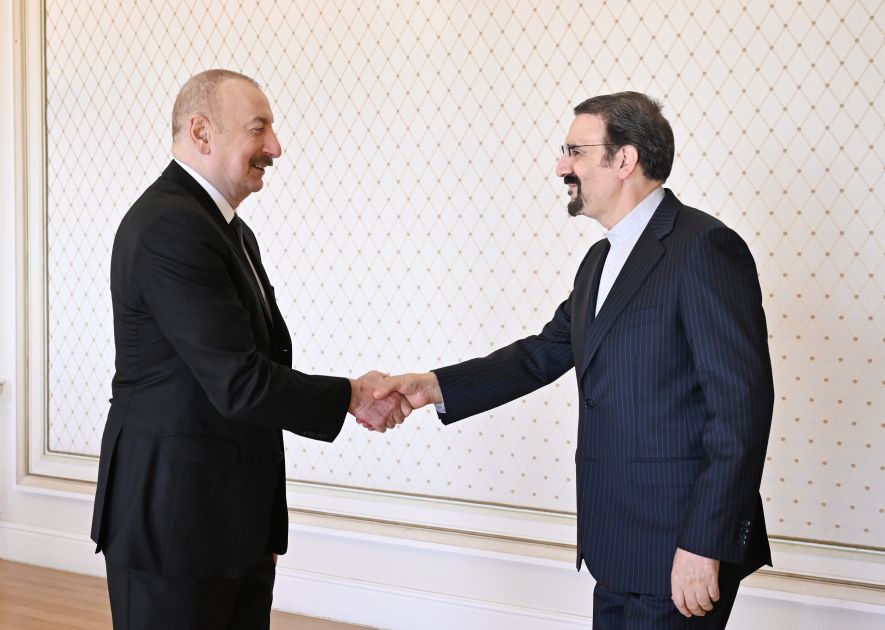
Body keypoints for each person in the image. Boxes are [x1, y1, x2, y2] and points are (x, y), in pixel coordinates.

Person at [371, 92, 774, 629]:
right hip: (614, 544)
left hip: (682, 545)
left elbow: (742, 409)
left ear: (624, 159)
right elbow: (542, 353)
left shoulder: (705, 247)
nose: (562, 167)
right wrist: (433, 386)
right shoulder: (598, 260)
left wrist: (705, 543)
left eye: (575, 151)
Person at [90, 69, 407, 629]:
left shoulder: (230, 230)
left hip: (231, 524)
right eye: (258, 129)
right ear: (201, 132)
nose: (275, 148)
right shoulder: (170, 226)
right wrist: (352, 396)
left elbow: (261, 367)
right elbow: (239, 382)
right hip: (175, 527)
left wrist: (261, 528)